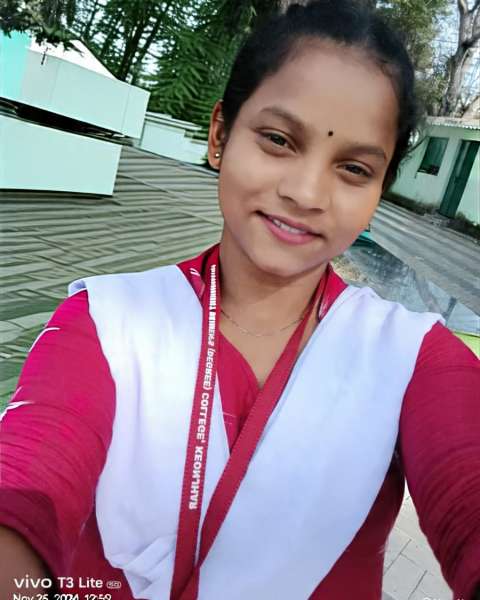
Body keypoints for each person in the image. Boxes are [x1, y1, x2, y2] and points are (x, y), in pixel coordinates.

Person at [1, 1, 479, 599]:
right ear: (220, 135)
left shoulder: (413, 359)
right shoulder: (108, 323)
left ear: (379, 189)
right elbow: (28, 482)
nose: (306, 192)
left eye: (354, 169)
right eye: (278, 140)